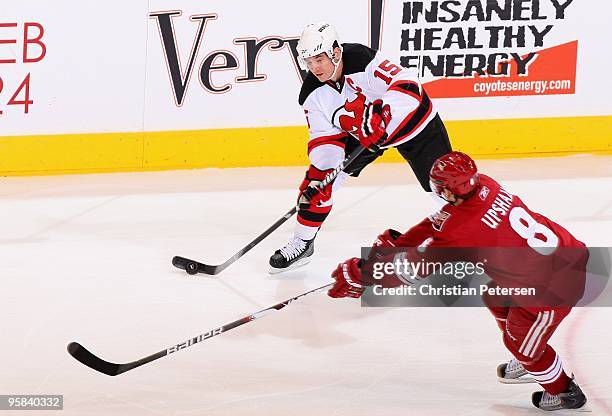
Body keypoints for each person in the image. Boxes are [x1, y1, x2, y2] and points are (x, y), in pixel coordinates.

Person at [327, 151, 589, 411]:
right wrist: (399, 244)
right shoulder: (485, 184)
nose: (439, 193)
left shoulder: (462, 231)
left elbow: (410, 271)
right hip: (562, 255)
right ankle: (531, 354)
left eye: (440, 188)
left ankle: (563, 390)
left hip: (554, 286)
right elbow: (437, 223)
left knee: (520, 345)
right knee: (495, 296)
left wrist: (363, 274)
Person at [269, 22, 452, 273]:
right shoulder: (312, 93)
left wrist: (386, 114)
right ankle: (302, 242)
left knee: (446, 187)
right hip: (365, 134)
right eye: (309, 62)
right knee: (318, 180)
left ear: (335, 52)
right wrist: (324, 177)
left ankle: (475, 236)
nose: (314, 68)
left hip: (413, 124)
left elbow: (407, 81)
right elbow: (325, 141)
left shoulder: (361, 59)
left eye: (319, 59)